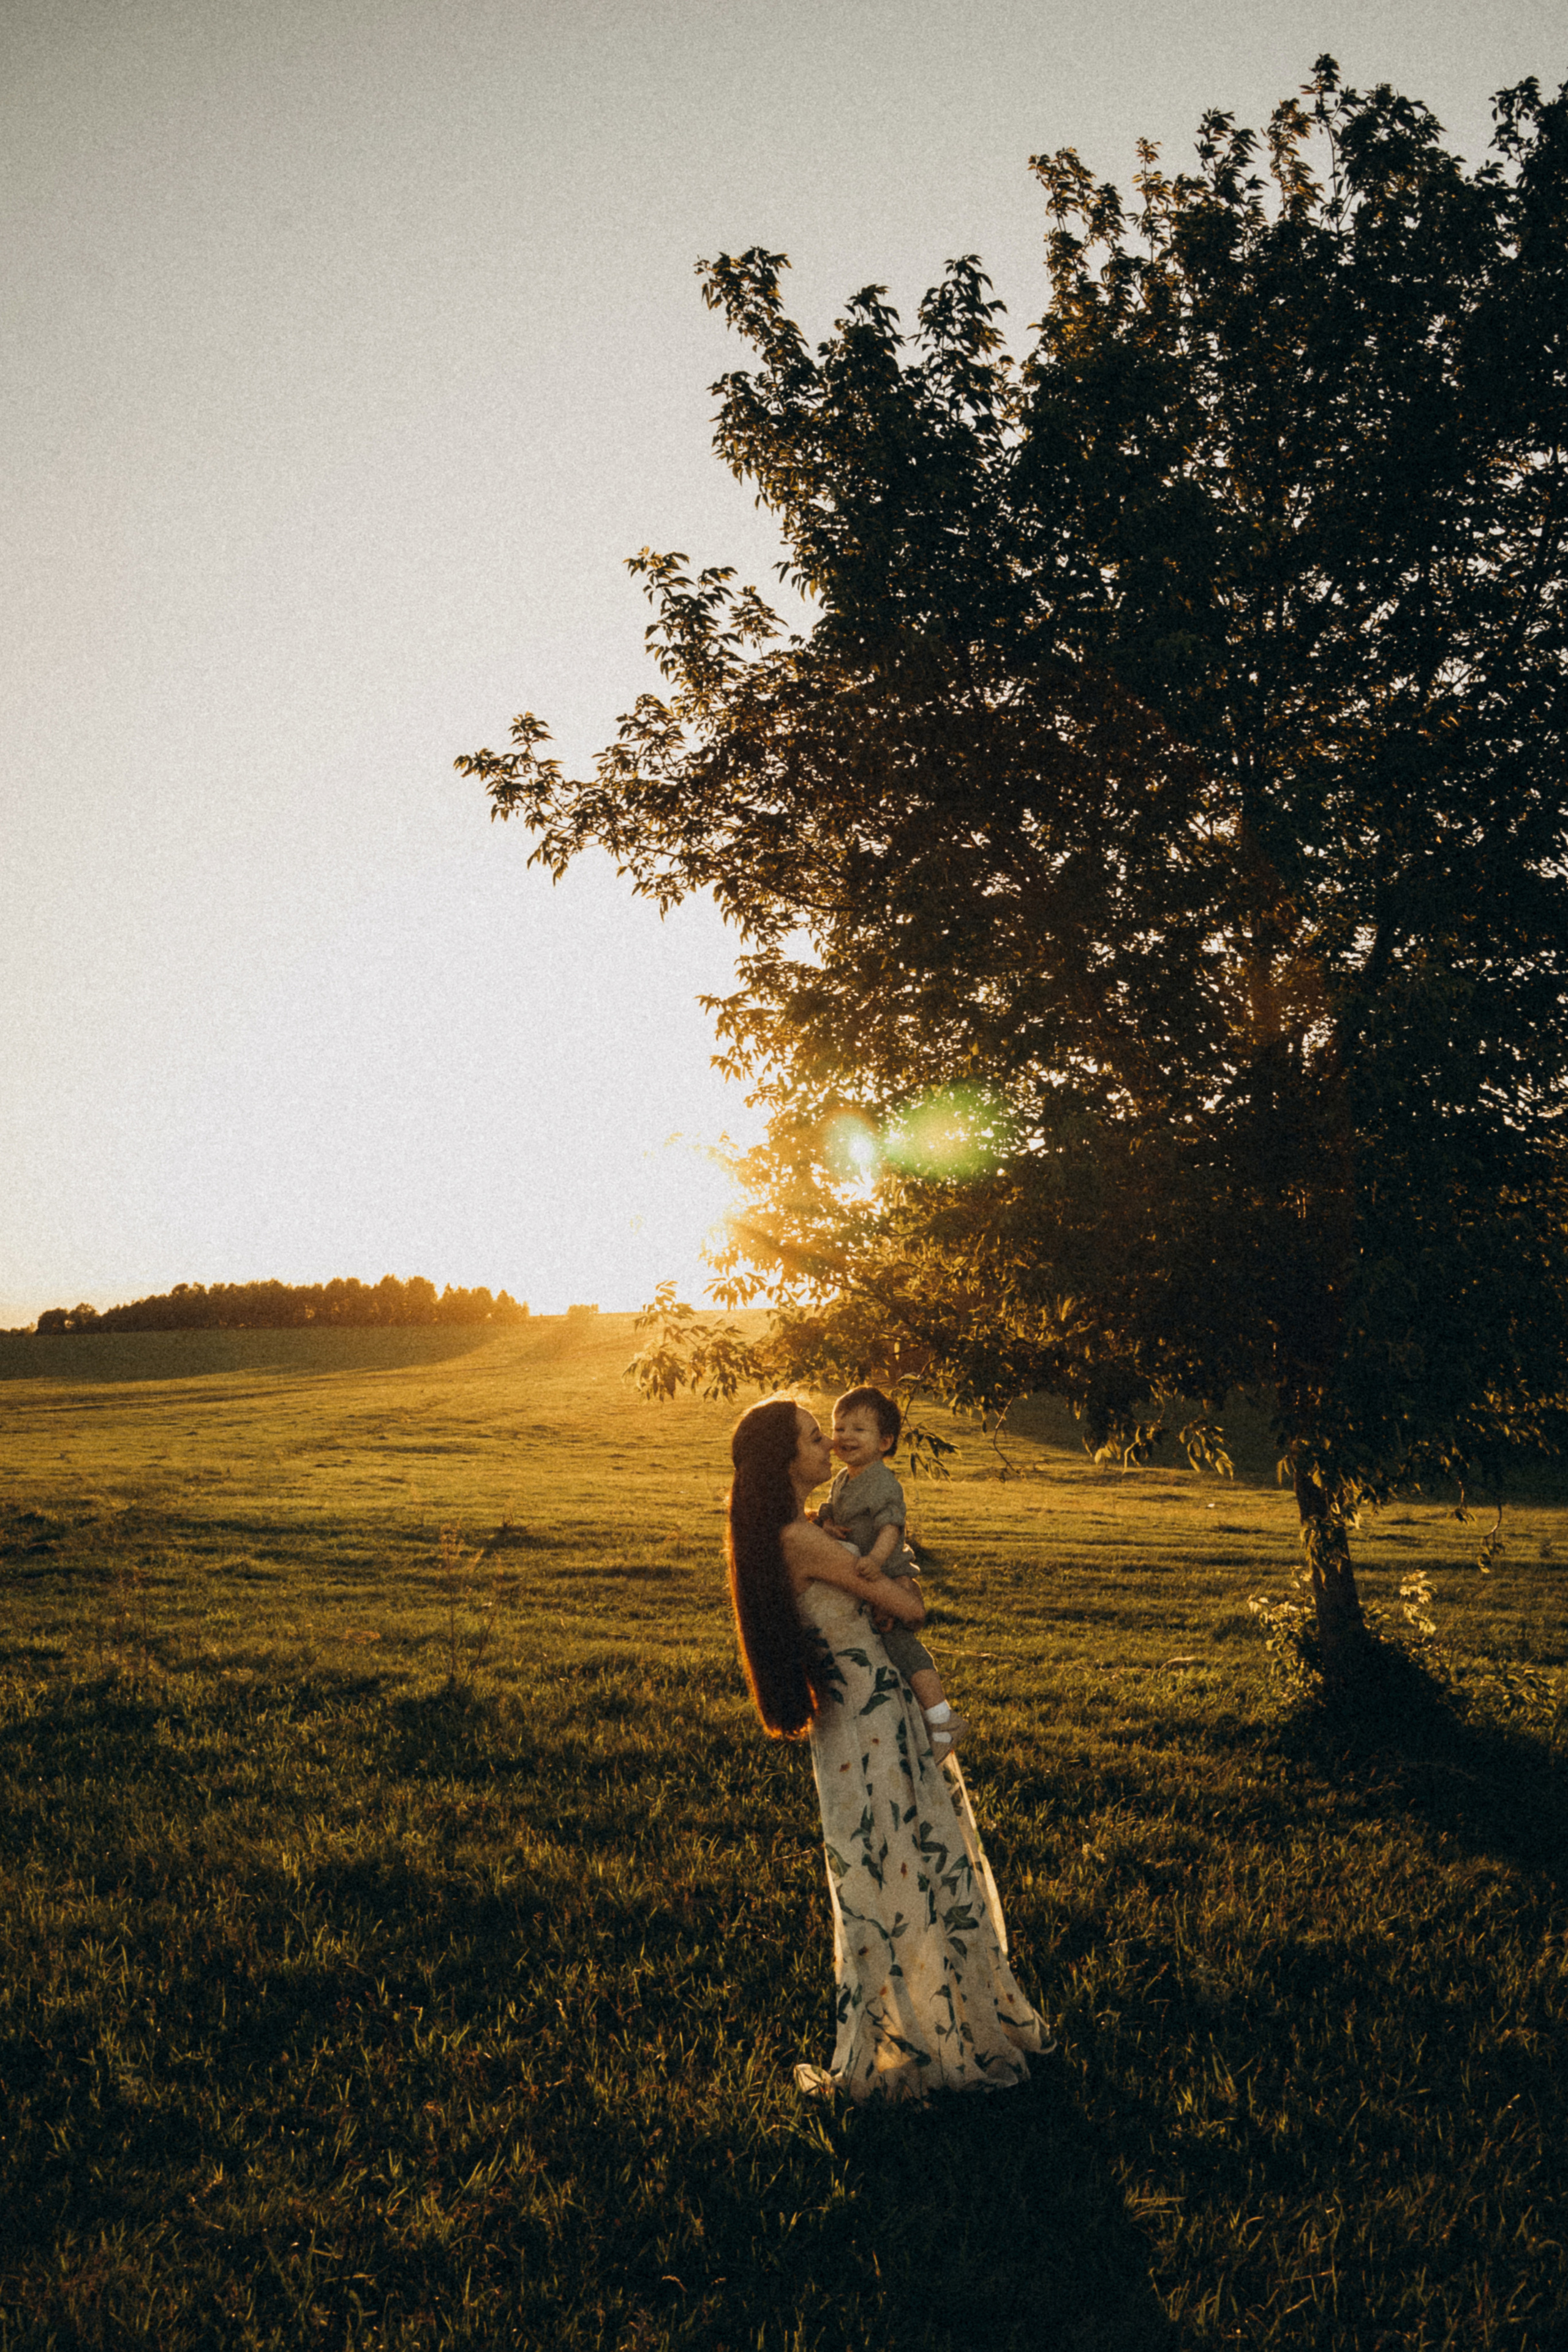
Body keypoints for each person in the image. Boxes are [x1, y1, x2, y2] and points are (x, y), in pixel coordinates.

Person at [726, 1394, 1051, 2104]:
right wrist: (893, 1580)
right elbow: (910, 1609)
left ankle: (933, 2025)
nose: (828, 1445)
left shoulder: (801, 1531)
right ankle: (926, 2039)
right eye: (813, 1438)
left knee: (896, 1864)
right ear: (784, 1459)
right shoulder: (802, 1540)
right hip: (868, 1721)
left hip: (864, 1716)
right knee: (897, 1867)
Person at [820, 1384, 968, 1762]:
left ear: (885, 1442)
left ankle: (943, 1719)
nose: (845, 1437)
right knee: (886, 1650)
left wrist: (875, 1560)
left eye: (859, 1429)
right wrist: (828, 1524)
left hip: (887, 1571)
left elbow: (891, 1527)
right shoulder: (844, 1478)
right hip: (869, 1580)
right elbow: (831, 1508)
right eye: (839, 1428)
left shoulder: (882, 1481)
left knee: (902, 1645)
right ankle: (916, 1716)